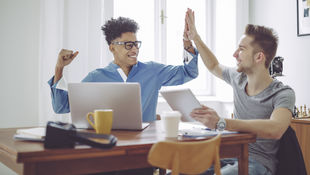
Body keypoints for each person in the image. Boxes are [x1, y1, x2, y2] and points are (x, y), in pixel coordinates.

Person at [185, 8, 295, 175]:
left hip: (258, 164)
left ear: (259, 57)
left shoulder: (283, 93)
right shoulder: (238, 78)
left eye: (241, 49)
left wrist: (222, 122)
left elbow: (276, 128)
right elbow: (214, 66)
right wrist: (196, 38)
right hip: (228, 156)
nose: (235, 54)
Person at [48, 16, 199, 123]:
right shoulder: (96, 77)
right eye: (128, 45)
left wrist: (187, 42)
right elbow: (61, 107)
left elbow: (189, 72)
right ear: (112, 47)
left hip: (145, 145)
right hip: (111, 146)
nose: (134, 49)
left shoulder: (152, 71)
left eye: (136, 44)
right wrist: (59, 68)